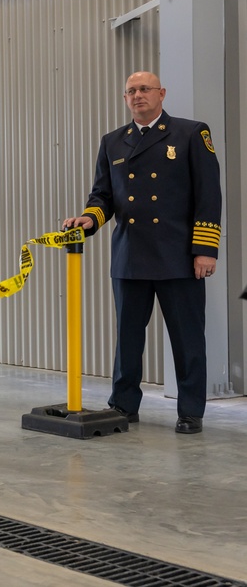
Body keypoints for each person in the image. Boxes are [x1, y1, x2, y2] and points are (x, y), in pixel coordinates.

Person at [63, 71, 222, 434]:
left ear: (161, 93)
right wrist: (89, 219)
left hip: (179, 255)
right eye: (131, 91)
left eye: (144, 89)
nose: (138, 96)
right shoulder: (113, 142)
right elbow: (102, 195)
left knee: (187, 337)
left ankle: (191, 410)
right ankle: (123, 404)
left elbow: (208, 196)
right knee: (128, 337)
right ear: (125, 98)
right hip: (130, 255)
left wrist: (205, 249)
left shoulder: (191, 133)